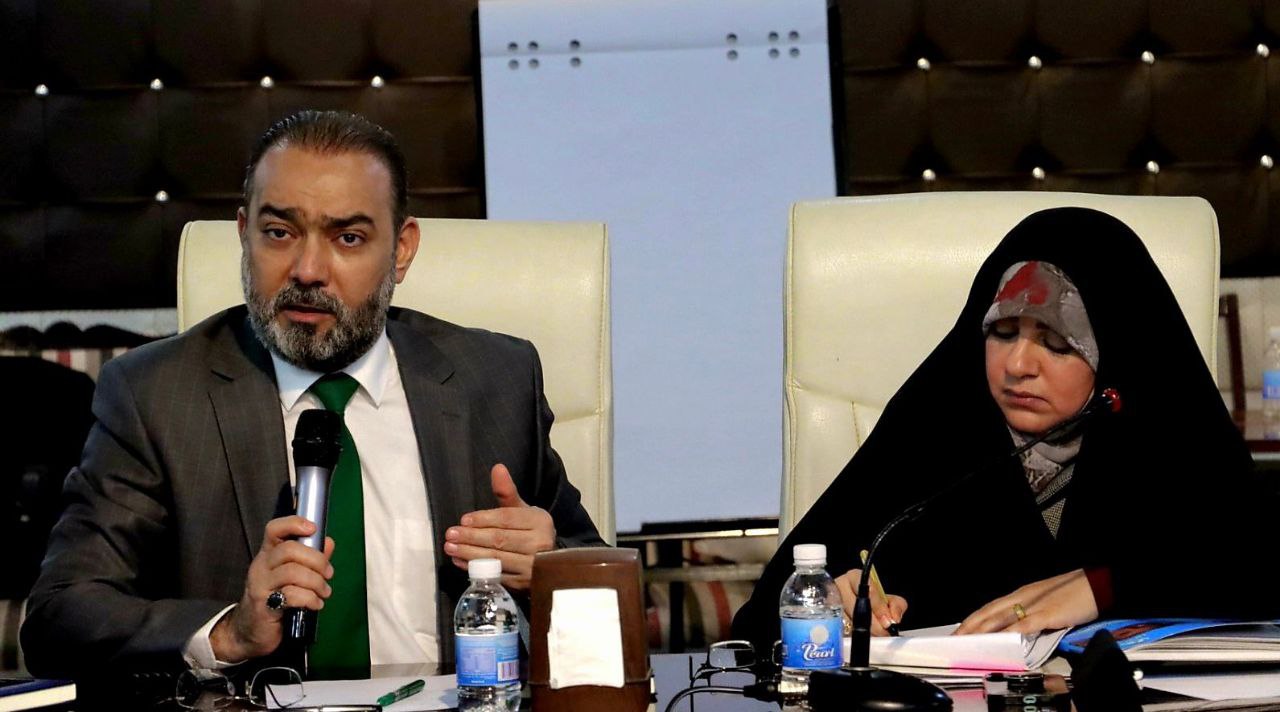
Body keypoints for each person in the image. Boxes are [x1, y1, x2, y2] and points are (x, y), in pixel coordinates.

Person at [21, 110, 604, 678]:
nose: (307, 269)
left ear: (401, 249)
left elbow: (604, 596)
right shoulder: (156, 394)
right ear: (244, 234)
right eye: (279, 233)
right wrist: (229, 633)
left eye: (348, 237)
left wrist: (552, 570)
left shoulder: (495, 378)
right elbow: (59, 617)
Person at [733, 207, 1279, 652]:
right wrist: (827, 601)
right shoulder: (935, 430)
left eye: (1057, 344)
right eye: (1002, 332)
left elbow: (1255, 568)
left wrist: (1104, 586)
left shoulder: (1169, 440)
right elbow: (760, 618)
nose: (1018, 365)